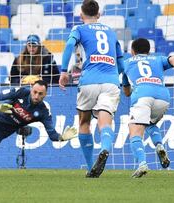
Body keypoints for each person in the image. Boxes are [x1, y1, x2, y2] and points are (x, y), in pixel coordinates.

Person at [59, 0, 124, 178]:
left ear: (81, 15)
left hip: (89, 80)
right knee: (105, 123)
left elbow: (69, 46)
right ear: (99, 14)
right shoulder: (111, 32)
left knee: (84, 123)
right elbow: (121, 62)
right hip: (111, 81)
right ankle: (104, 148)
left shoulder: (79, 29)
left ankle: (90, 168)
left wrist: (64, 71)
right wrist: (122, 80)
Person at [122, 38, 174, 178]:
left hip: (142, 95)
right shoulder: (157, 59)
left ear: (132, 51)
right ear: (149, 51)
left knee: (135, 131)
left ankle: (142, 164)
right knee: (150, 123)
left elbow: (126, 92)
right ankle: (159, 145)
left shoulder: (126, 63)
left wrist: (131, 87)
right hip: (163, 97)